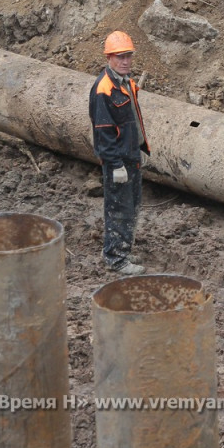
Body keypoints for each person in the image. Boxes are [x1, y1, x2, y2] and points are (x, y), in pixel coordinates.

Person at [89, 30, 150, 275]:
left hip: (131, 155)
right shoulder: (104, 89)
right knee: (118, 208)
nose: (125, 61)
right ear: (109, 58)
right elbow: (103, 133)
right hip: (118, 161)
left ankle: (123, 248)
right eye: (120, 57)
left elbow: (133, 121)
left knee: (132, 205)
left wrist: (141, 146)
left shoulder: (127, 84)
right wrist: (115, 166)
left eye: (128, 56)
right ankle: (115, 258)